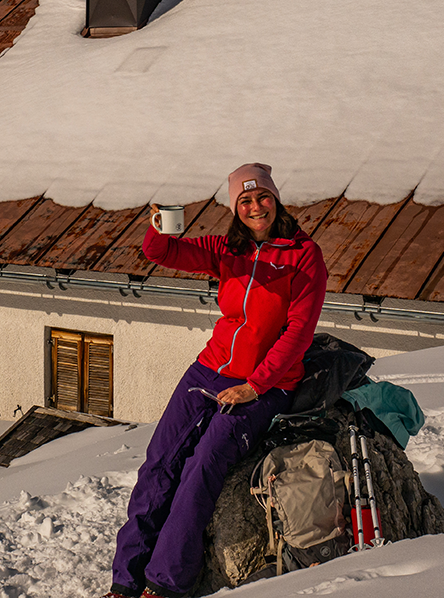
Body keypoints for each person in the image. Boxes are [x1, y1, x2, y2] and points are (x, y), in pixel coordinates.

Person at [103, 163, 328, 598]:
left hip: (266, 383)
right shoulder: (227, 248)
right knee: (159, 463)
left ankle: (166, 583)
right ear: (234, 207)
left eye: (262, 197)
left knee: (202, 466)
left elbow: (298, 333)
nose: (255, 206)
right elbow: (161, 254)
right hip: (209, 370)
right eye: (244, 200)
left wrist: (255, 386)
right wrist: (160, 230)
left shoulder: (303, 255)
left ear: (275, 198)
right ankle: (125, 581)